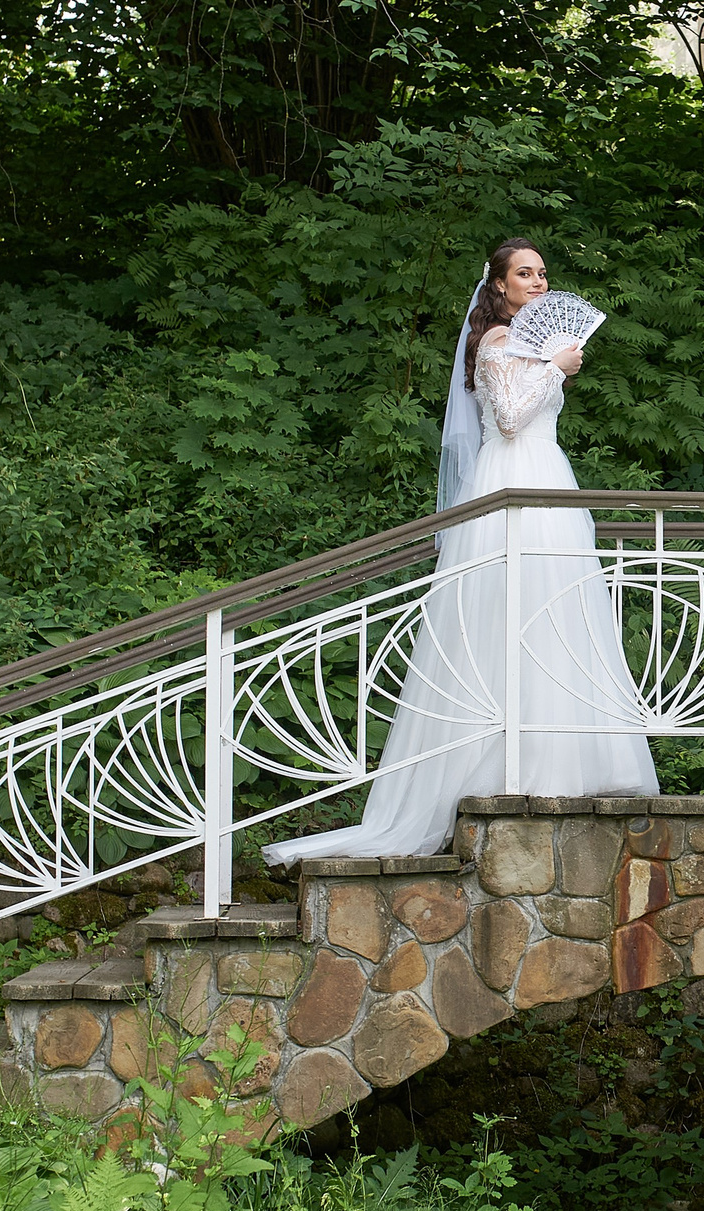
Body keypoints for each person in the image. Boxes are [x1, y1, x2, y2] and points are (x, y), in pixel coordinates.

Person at [263, 240, 657, 865]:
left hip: (551, 478)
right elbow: (506, 417)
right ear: (497, 286)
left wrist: (552, 363)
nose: (537, 280)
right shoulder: (497, 343)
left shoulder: (527, 341)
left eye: (541, 272)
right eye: (524, 273)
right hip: (508, 481)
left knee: (558, 612)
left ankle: (563, 758)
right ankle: (504, 760)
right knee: (506, 608)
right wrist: (554, 366)